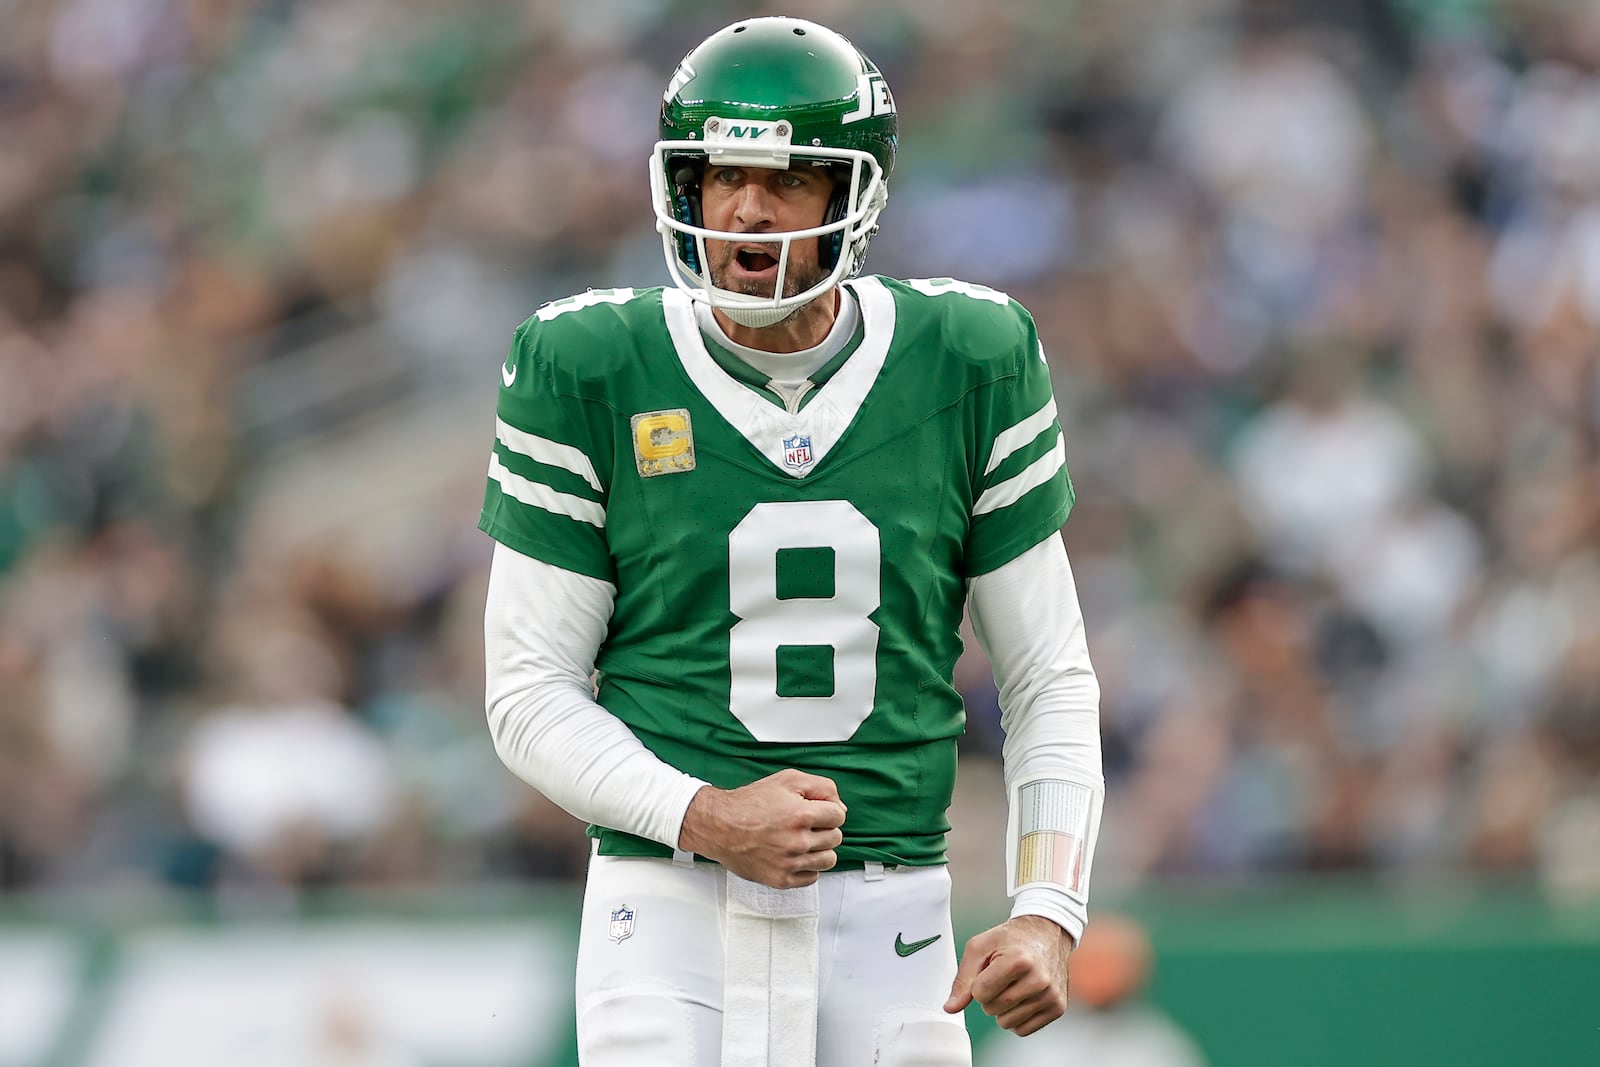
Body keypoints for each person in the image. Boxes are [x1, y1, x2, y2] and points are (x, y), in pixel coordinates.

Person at [479, 16, 1104, 1066]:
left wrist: (1048, 906)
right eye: (720, 175)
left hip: (893, 910)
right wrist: (704, 810)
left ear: (852, 197)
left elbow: (1049, 674)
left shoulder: (968, 356)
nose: (746, 210)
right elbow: (526, 691)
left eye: (787, 181)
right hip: (664, 909)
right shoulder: (588, 361)